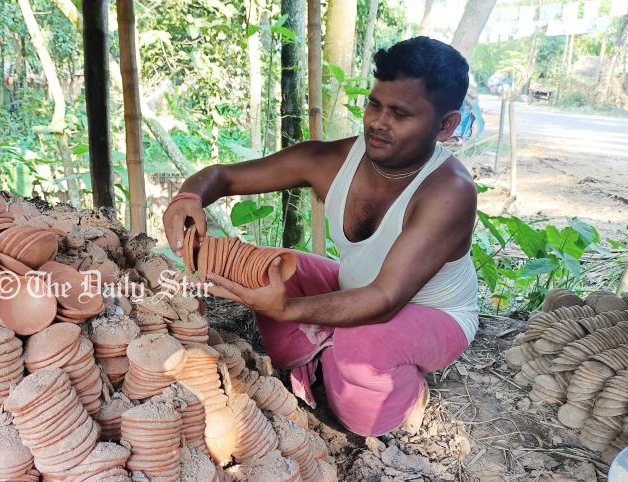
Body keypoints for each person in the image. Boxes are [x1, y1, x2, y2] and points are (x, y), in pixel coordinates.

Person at [162, 37, 479, 437]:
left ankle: (409, 399)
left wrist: (289, 309)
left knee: (362, 356)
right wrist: (187, 198)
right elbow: (224, 176)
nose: (378, 122)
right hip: (360, 288)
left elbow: (383, 300)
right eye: (374, 104)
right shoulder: (334, 160)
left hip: (434, 313)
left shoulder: (449, 191)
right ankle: (327, 355)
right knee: (266, 270)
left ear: (445, 125)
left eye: (400, 114)